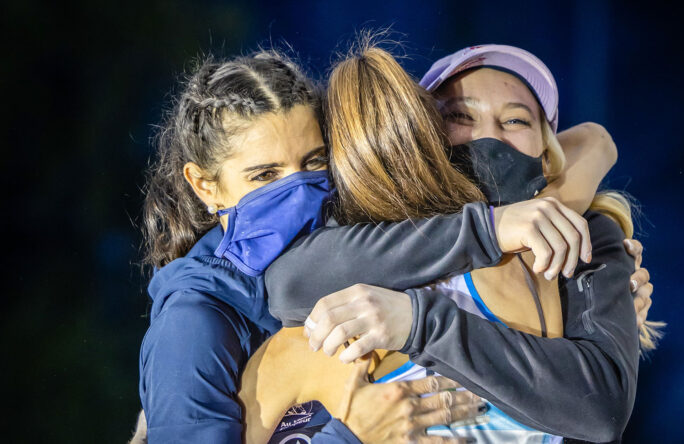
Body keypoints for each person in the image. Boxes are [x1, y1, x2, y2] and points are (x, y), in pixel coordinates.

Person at [135, 49, 632, 444]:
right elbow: (292, 282)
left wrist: (558, 209)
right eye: (265, 175)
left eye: (314, 163)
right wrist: (354, 434)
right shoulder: (200, 318)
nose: (297, 190)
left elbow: (599, 405)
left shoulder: (384, 242)